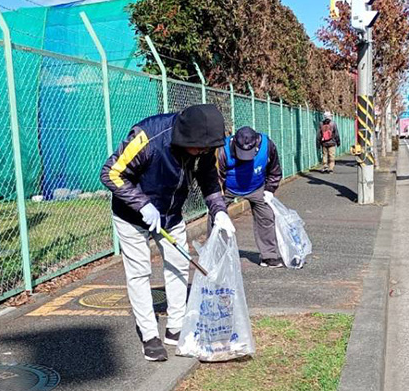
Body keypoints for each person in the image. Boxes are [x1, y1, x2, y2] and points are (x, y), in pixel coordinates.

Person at [100, 104, 236, 362]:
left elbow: (208, 179)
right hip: (132, 215)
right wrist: (142, 204)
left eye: (207, 149)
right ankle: (150, 335)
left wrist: (218, 210)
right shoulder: (148, 137)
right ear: (185, 137)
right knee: (140, 272)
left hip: (171, 214)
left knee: (178, 267)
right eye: (199, 148)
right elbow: (111, 173)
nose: (202, 153)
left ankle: (175, 328)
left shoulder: (203, 145)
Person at [215, 126, 283, 268]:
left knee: (266, 216)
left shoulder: (267, 145)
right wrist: (217, 203)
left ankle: (269, 256)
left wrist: (270, 189)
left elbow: (274, 170)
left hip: (256, 187)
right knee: (215, 218)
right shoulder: (223, 150)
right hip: (229, 188)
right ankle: (216, 257)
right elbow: (217, 178)